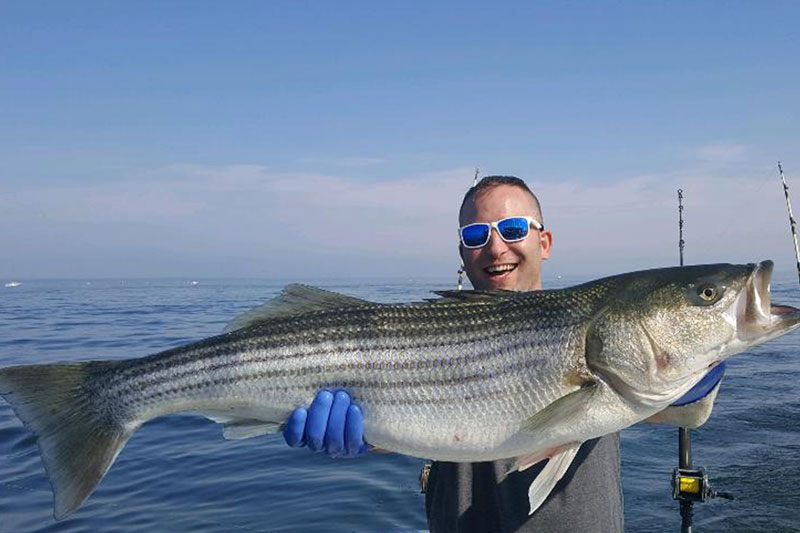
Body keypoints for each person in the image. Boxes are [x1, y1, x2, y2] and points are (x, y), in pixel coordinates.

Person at [282, 176, 725, 531]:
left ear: (544, 242)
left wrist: (693, 377)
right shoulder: (430, 326)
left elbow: (682, 411)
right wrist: (363, 439)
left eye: (513, 230)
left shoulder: (591, 324)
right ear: (463, 253)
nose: (496, 247)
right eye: (476, 235)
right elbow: (411, 426)